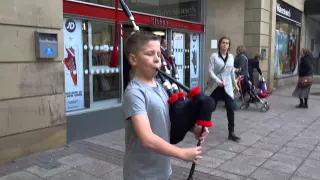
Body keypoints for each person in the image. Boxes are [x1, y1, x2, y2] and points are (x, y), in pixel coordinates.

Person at [122, 31, 209, 180]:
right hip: (141, 174)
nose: (157, 59)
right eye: (150, 54)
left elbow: (167, 118)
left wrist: (192, 128)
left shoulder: (160, 86)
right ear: (133, 59)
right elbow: (147, 138)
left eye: (158, 54)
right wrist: (182, 153)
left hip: (163, 170)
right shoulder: (135, 93)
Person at [205, 36, 241, 142]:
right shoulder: (214, 56)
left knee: (230, 108)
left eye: (227, 43)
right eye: (223, 43)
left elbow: (231, 72)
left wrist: (236, 85)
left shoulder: (231, 57)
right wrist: (217, 81)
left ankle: (231, 132)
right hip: (216, 87)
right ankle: (203, 127)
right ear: (219, 44)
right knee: (210, 107)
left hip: (227, 87)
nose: (225, 44)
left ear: (229, 46)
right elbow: (210, 71)